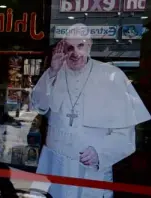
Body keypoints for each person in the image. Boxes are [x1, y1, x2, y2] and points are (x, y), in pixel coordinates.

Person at [31, 23, 151, 198]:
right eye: (69, 47)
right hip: (56, 168)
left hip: (90, 170)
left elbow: (126, 136)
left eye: (80, 45)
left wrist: (100, 152)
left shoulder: (112, 76)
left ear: (90, 45)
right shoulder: (55, 72)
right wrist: (52, 72)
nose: (75, 53)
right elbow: (38, 105)